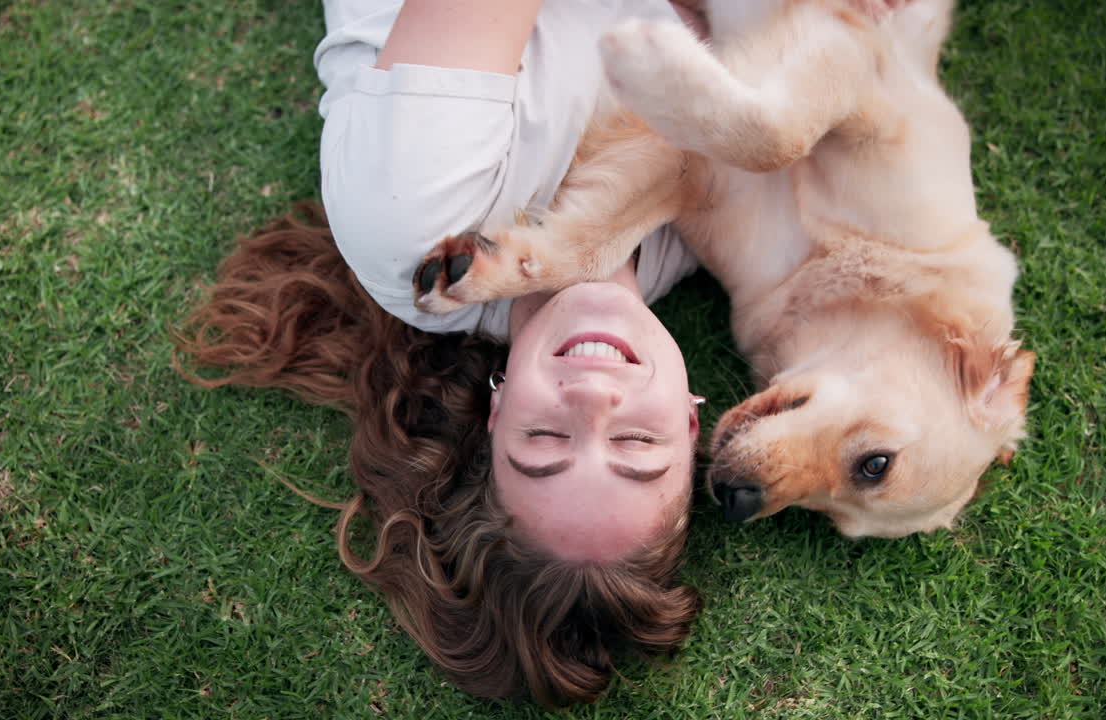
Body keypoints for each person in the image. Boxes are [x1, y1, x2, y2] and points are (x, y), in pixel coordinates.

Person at [177, 0, 708, 706]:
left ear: (496, 410)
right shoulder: (713, 221)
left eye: (546, 436)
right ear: (694, 418)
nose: (594, 396)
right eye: (637, 440)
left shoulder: (425, 233)